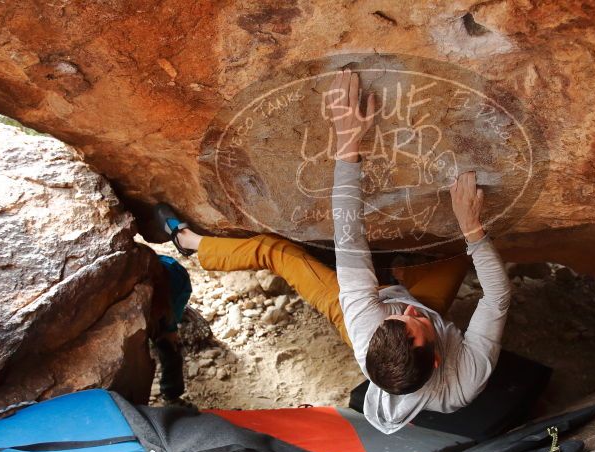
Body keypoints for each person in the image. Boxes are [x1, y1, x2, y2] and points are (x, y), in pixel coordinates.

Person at [157, 69, 510, 433]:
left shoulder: (363, 324)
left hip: (365, 303)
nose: (407, 312)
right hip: (389, 300)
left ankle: (190, 242)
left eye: (402, 318)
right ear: (437, 358)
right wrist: (471, 226)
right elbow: (497, 297)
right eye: (412, 321)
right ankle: (401, 273)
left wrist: (347, 144)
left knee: (277, 251)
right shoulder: (464, 378)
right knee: (462, 249)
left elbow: (350, 238)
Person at [148, 254, 192, 401]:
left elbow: (170, 322)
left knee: (168, 346)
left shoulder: (176, 286)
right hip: (160, 296)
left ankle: (172, 396)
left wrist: (169, 331)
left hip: (173, 292)